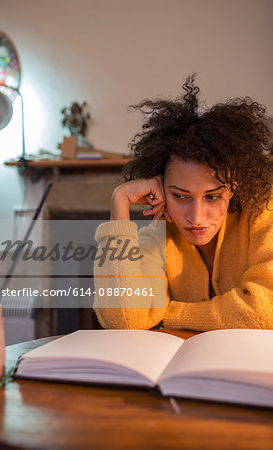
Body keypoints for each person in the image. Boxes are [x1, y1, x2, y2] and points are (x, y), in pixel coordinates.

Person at [93, 75, 273, 331]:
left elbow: (265, 312)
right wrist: (119, 202)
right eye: (180, 196)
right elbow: (124, 319)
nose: (197, 217)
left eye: (212, 196)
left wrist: (171, 313)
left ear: (234, 188)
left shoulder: (263, 214)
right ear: (161, 190)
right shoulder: (157, 238)